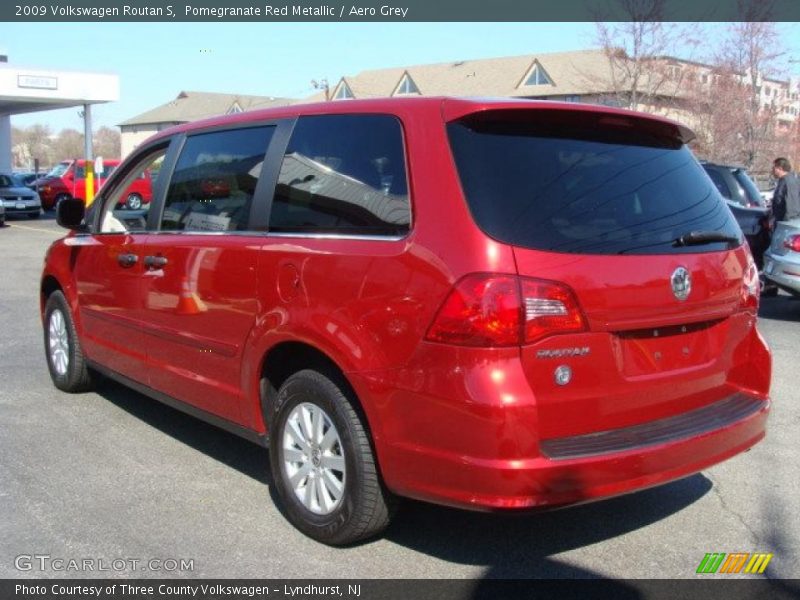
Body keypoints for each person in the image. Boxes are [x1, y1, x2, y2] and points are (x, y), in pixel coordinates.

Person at [771, 157, 800, 223]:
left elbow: (790, 203)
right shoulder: (793, 180)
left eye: (774, 168)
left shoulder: (786, 182)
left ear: (780, 168)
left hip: (788, 221)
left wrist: (785, 221)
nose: (772, 170)